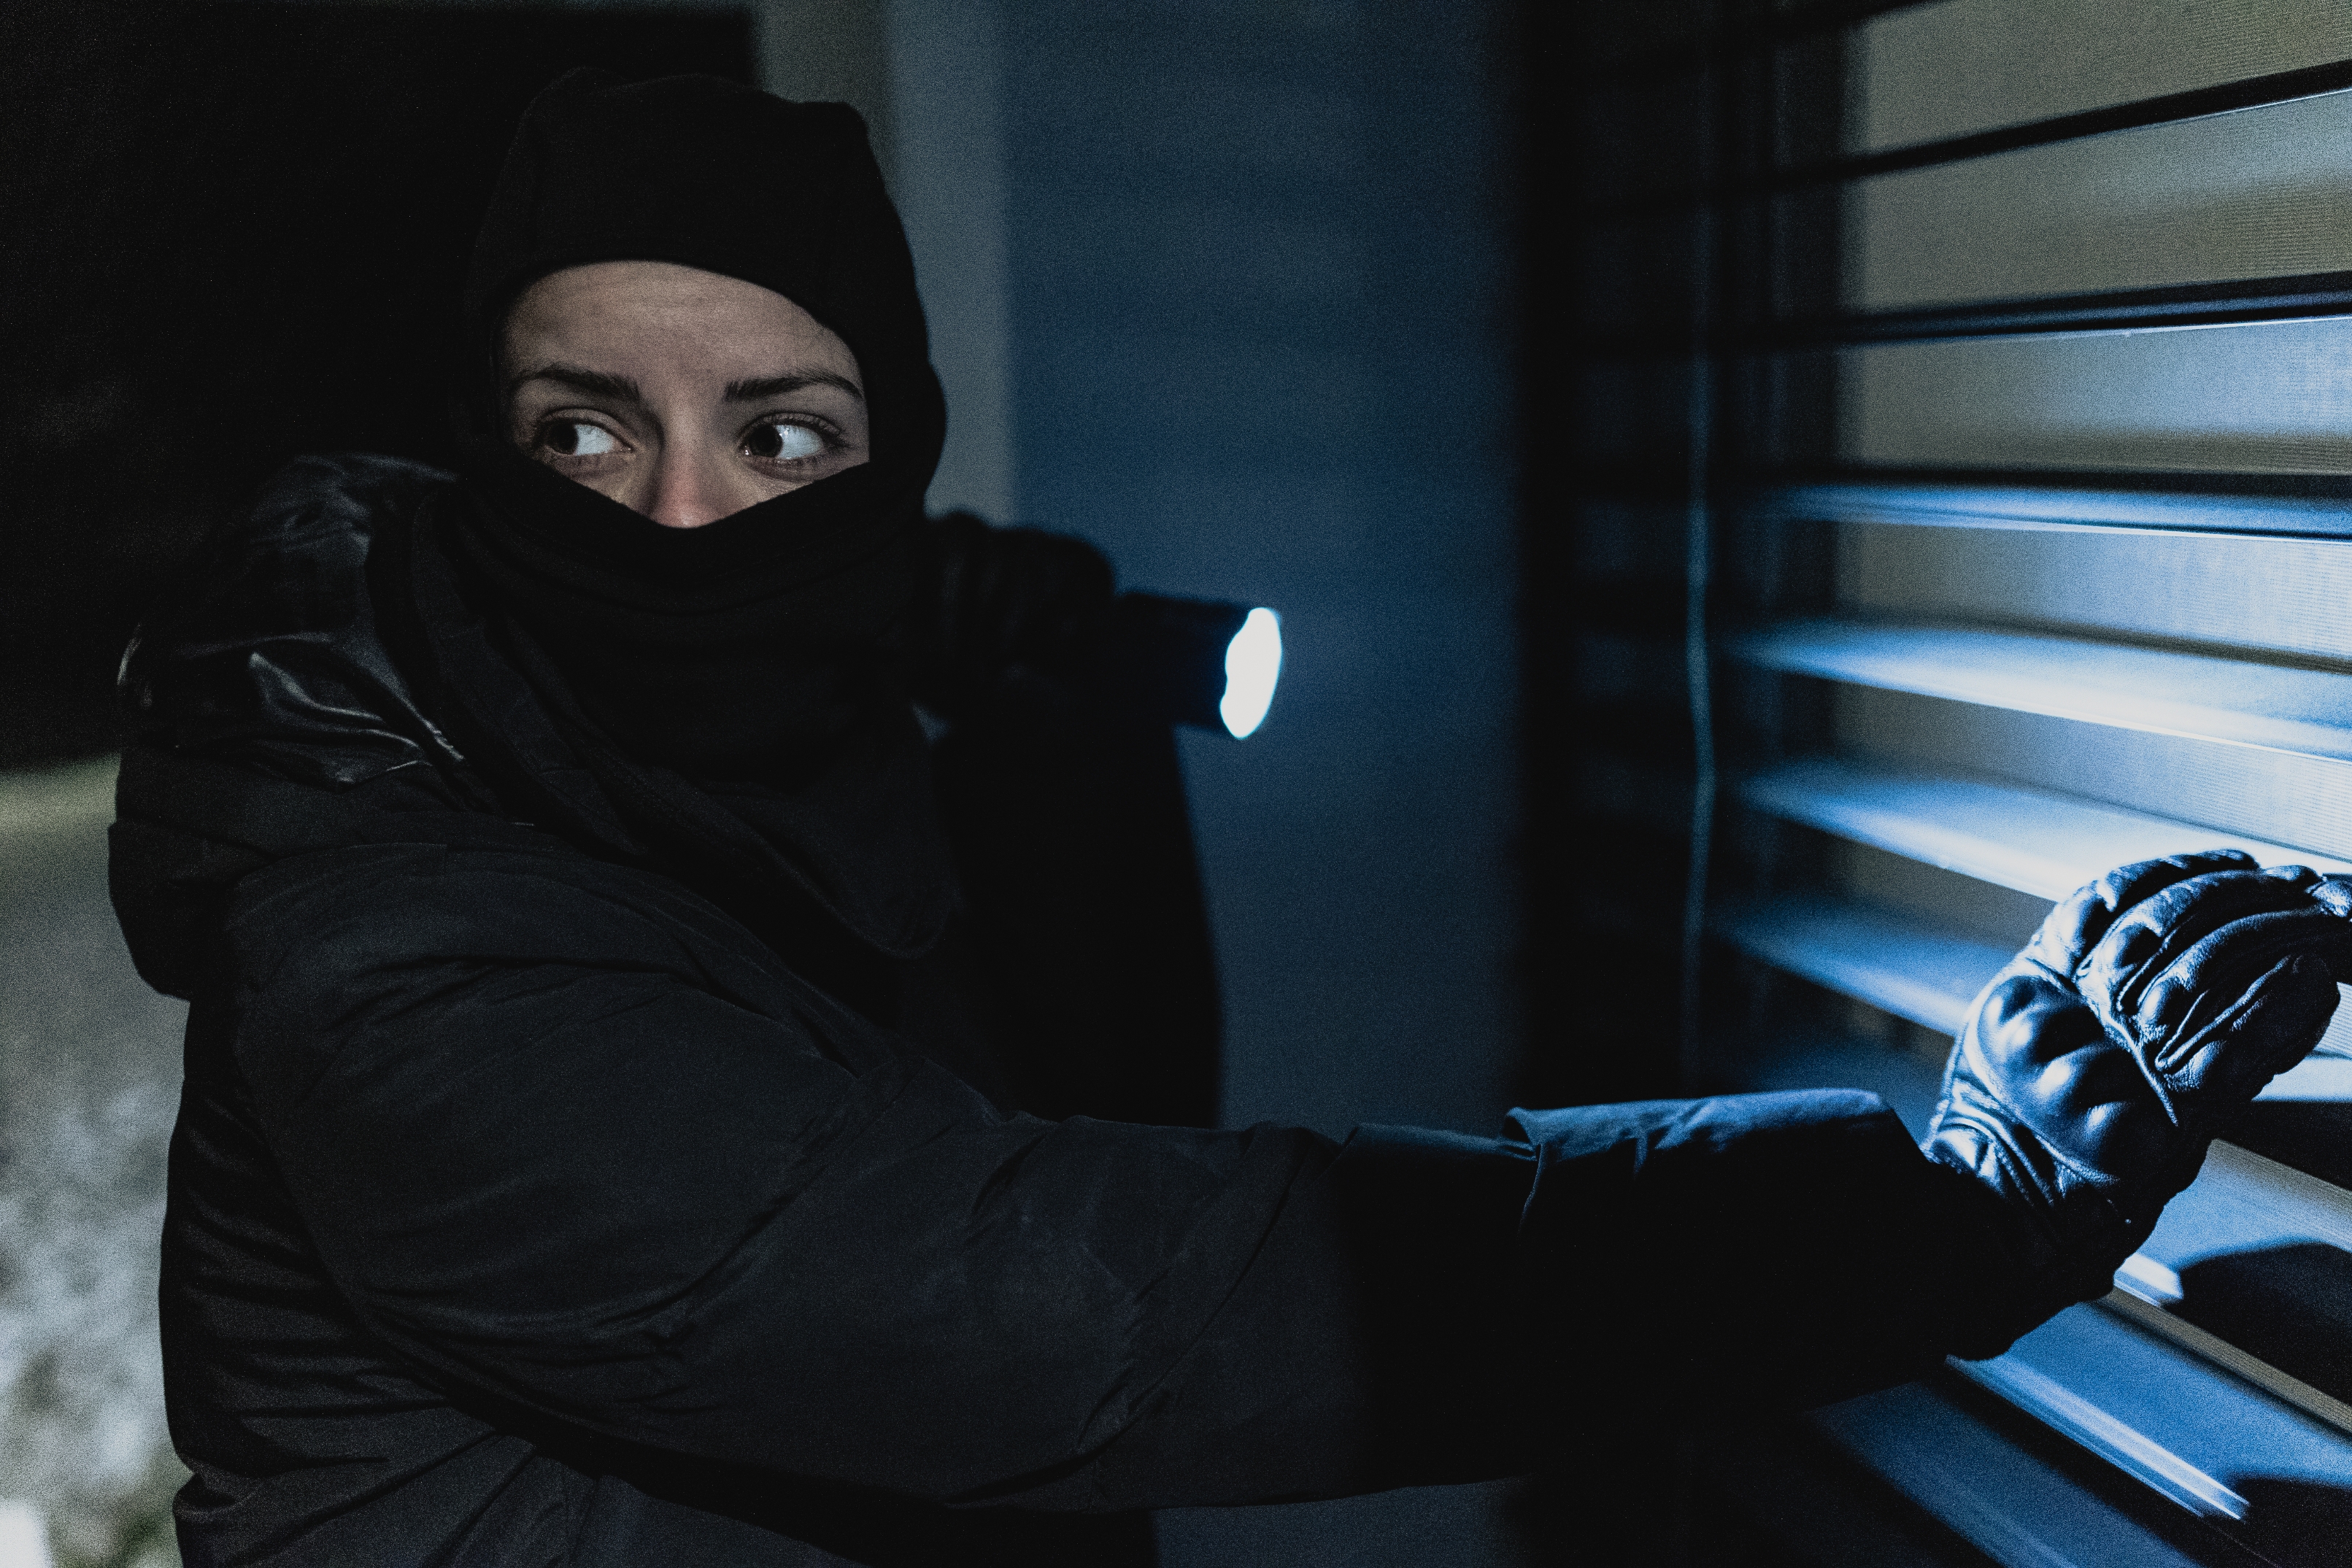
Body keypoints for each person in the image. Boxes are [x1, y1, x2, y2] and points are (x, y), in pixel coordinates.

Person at [109, 70, 2352, 1567]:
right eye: (588, 437)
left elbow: (1106, 1109)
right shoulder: (396, 957)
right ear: (482, 457)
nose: (687, 522)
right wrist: (1941, 1208)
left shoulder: (747, 789)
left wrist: (1053, 714)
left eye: (781, 438)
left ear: (888, 465)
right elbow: (1111, 1314)